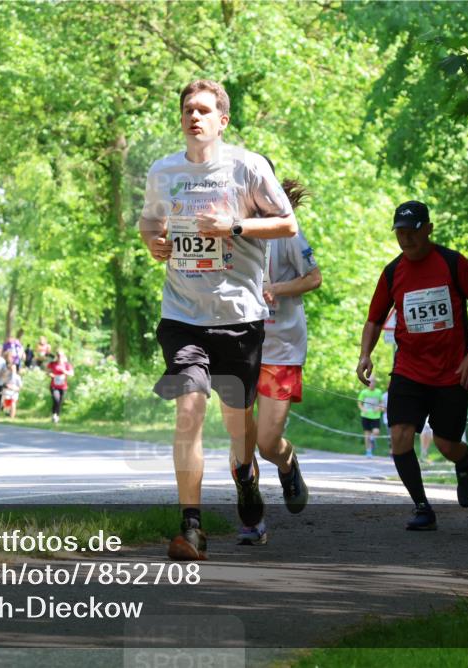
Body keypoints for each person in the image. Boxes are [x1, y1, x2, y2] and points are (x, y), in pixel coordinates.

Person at [139, 79, 298, 560]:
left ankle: (246, 473)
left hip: (238, 317)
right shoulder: (163, 171)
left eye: (205, 110)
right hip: (182, 314)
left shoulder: (246, 167)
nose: (195, 117)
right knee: (188, 408)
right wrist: (154, 242)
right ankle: (191, 527)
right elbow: (150, 221)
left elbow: (286, 223)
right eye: (188, 109)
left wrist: (232, 227)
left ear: (222, 120)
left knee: (238, 424)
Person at [357, 200, 468, 531]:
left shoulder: (452, 263)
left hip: (452, 371)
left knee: (447, 443)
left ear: (428, 229)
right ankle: (422, 507)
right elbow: (374, 319)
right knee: (400, 437)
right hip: (409, 370)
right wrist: (365, 354)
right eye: (400, 233)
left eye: (412, 232)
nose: (406, 239)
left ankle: (464, 461)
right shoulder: (392, 272)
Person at [239, 172, 319, 546]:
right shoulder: (230, 231)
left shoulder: (286, 232)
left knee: (267, 443)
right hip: (240, 344)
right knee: (241, 438)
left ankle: (288, 465)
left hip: (281, 347)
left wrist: (276, 289)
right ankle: (253, 522)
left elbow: (314, 278)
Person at [358, 377, 383, 458]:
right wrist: (363, 409)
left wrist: (379, 408)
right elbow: (359, 403)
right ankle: (368, 452)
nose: (372, 384)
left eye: (373, 382)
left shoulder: (378, 392)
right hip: (365, 416)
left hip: (375, 416)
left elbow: (381, 403)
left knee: (376, 431)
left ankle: (372, 439)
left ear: (375, 383)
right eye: (370, 382)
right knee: (367, 434)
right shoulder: (364, 392)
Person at [47, 350, 74, 423]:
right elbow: (48, 372)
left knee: (60, 402)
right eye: (58, 356)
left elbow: (71, 373)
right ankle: (54, 414)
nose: (59, 357)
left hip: (63, 386)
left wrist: (65, 372)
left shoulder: (67, 365)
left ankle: (57, 416)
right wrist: (51, 375)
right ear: (57, 356)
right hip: (54, 385)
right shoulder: (53, 364)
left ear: (63, 356)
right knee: (56, 399)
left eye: (61, 356)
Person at [3, 353, 23, 419]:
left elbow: (20, 386)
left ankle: (12, 416)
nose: (12, 370)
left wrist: (16, 389)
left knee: (13, 403)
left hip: (14, 392)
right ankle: (8, 412)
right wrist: (7, 386)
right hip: (7, 392)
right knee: (7, 403)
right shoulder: (7, 376)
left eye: (13, 368)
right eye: (11, 368)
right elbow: (3, 383)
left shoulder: (17, 377)